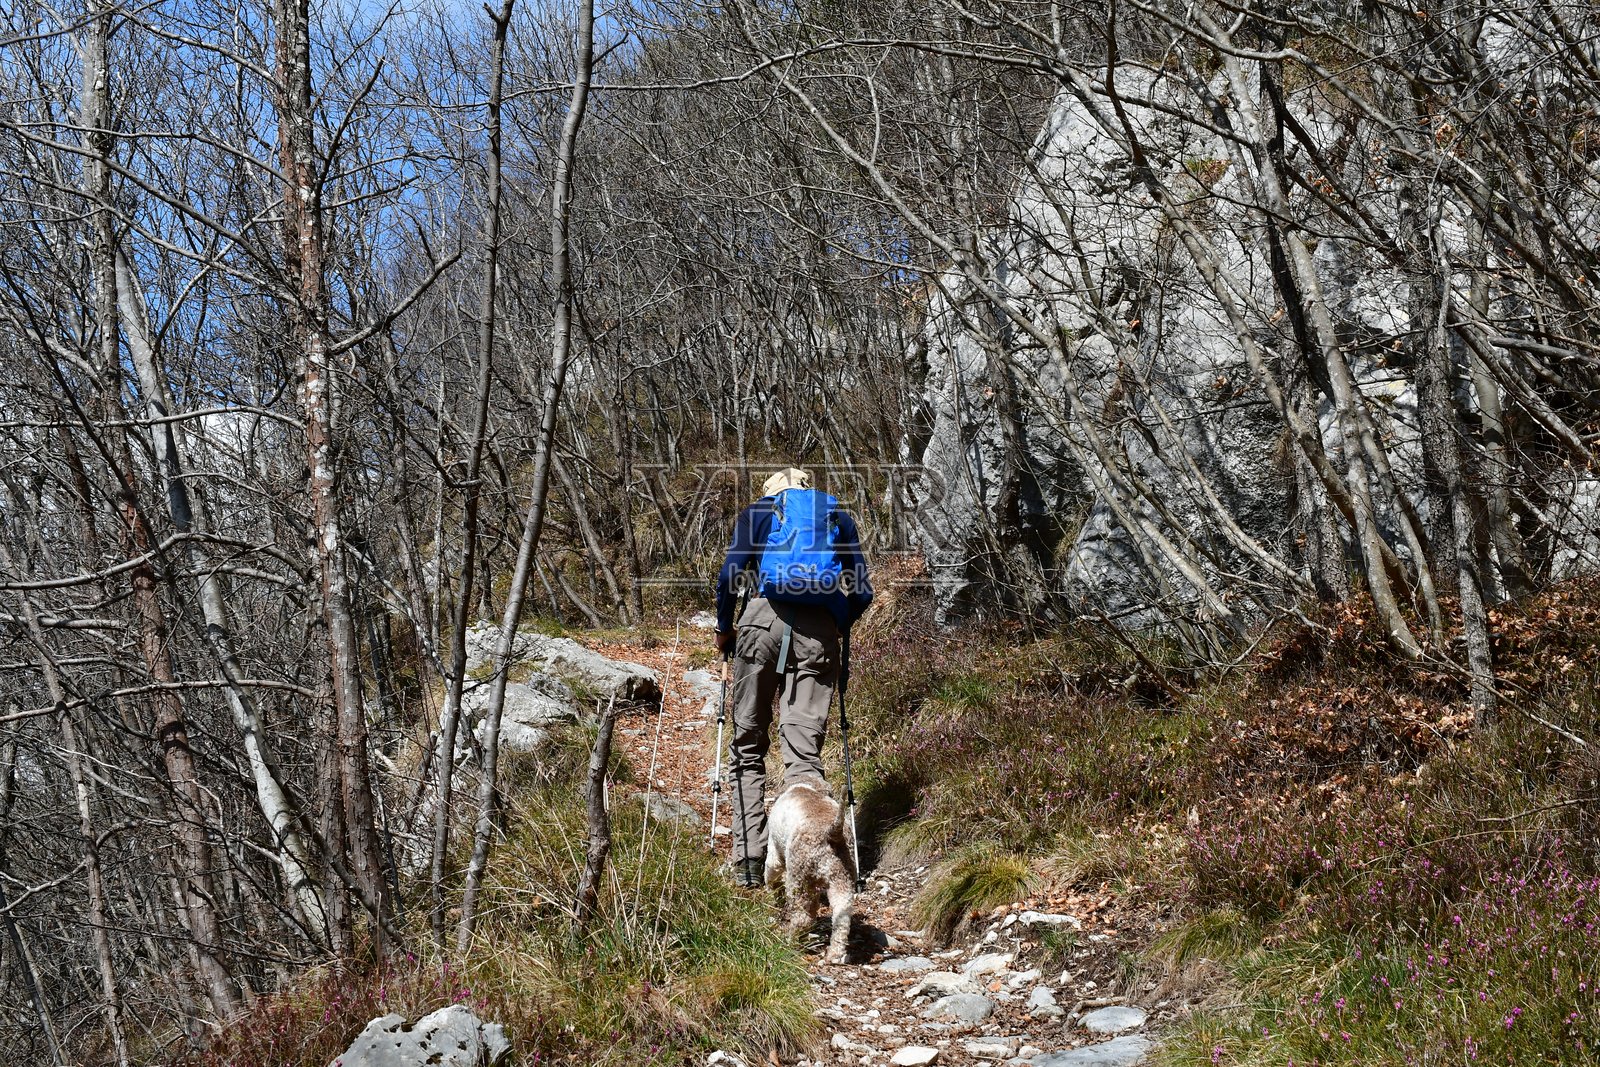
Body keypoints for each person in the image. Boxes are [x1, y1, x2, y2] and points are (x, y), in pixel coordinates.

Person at [714, 467, 873, 886]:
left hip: (760, 624)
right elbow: (861, 592)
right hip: (818, 635)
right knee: (803, 754)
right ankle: (811, 859)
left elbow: (729, 576)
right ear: (806, 490)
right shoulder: (835, 517)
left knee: (748, 744)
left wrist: (724, 628)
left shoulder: (756, 514)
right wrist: (835, 623)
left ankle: (750, 862)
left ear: (772, 493)